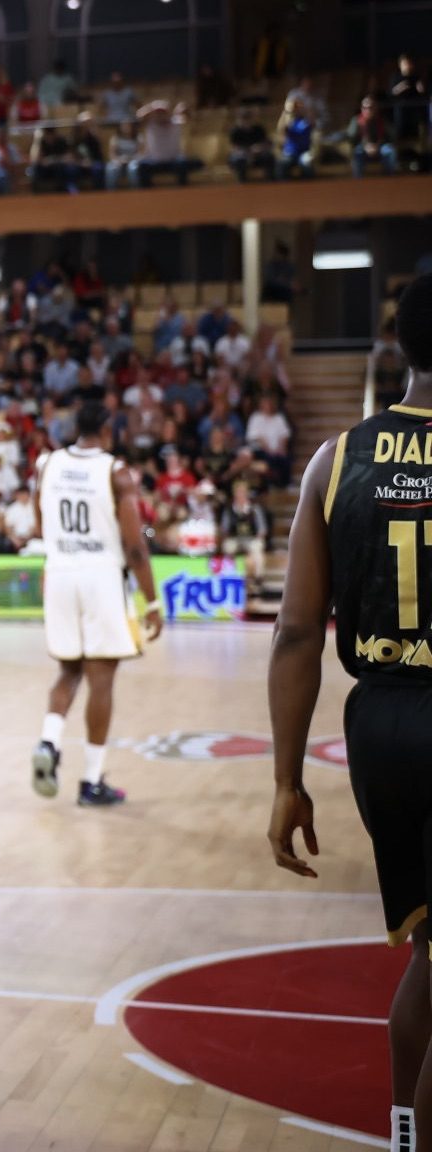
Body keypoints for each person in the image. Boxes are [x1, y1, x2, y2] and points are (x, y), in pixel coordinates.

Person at [269, 274, 432, 1152]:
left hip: (379, 728)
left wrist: (288, 781)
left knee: (429, 958)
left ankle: (405, 1131)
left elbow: (297, 635)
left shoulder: (336, 461)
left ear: (401, 347)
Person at [29, 403, 163, 807]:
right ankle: (91, 782)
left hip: (61, 574)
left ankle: (49, 743)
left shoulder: (47, 464)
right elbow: (135, 546)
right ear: (107, 431)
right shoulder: (115, 472)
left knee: (68, 670)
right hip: (101, 578)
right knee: (101, 678)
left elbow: (39, 523)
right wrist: (151, 599)